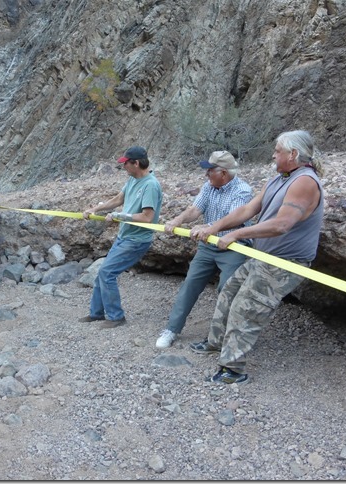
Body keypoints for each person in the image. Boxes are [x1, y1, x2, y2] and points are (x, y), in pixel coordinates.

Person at [190, 130, 325, 384]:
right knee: (229, 293)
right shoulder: (280, 179)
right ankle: (216, 343)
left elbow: (282, 225)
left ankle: (233, 369)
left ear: (293, 154)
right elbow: (248, 209)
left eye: (278, 150)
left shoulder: (305, 182)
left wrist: (237, 233)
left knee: (247, 307)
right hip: (263, 255)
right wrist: (215, 227)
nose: (273, 155)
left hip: (284, 262)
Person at [155, 151, 253, 349]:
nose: (206, 175)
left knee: (227, 288)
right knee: (190, 284)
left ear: (223, 173)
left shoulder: (242, 190)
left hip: (233, 246)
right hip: (209, 246)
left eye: (210, 171)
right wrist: (177, 220)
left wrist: (208, 227)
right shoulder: (209, 186)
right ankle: (172, 329)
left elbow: (235, 218)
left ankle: (226, 335)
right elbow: (195, 209)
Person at [81, 146, 163, 329]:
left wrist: (120, 217)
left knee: (106, 273)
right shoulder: (133, 180)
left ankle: (116, 316)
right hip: (124, 237)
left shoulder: (150, 185)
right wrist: (96, 209)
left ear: (136, 163)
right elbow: (119, 199)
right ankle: (96, 313)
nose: (123, 167)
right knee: (103, 273)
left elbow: (148, 218)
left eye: (126, 163)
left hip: (136, 240)